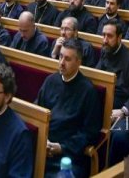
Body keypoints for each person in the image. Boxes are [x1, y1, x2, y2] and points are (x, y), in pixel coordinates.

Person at [37, 39, 102, 177]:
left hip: (68, 156)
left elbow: (90, 132)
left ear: (78, 62)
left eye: (67, 59)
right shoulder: (50, 80)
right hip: (42, 147)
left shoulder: (88, 91)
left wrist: (61, 148)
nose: (61, 62)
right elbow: (38, 111)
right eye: (60, 56)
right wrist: (43, 140)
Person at [94, 21, 129, 165]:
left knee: (120, 137)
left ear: (119, 37)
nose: (104, 40)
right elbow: (97, 77)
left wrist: (122, 111)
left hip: (121, 109)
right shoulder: (105, 51)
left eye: (109, 36)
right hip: (102, 102)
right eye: (103, 35)